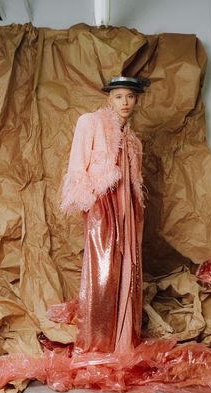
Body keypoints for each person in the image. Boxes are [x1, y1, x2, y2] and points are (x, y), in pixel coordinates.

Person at [60, 76, 150, 356]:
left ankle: (124, 337)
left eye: (130, 97)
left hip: (128, 207)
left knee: (129, 267)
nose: (125, 102)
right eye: (119, 96)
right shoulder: (90, 122)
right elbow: (77, 162)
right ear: (109, 99)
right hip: (103, 201)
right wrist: (91, 204)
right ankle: (98, 340)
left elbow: (134, 178)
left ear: (136, 101)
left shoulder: (133, 140)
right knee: (102, 270)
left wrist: (135, 210)